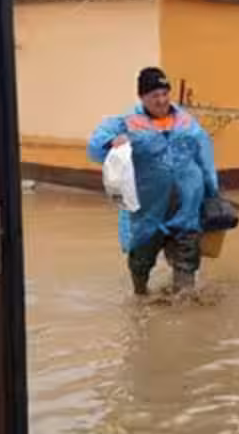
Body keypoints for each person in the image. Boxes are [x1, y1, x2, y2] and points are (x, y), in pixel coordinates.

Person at [88, 67, 221, 296]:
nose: (161, 100)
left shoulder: (187, 123)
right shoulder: (125, 123)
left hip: (186, 211)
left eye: (164, 93)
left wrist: (212, 194)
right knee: (140, 266)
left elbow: (205, 160)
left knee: (186, 270)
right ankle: (140, 302)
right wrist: (112, 142)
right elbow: (95, 146)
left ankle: (184, 313)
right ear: (142, 97)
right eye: (154, 95)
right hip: (147, 213)